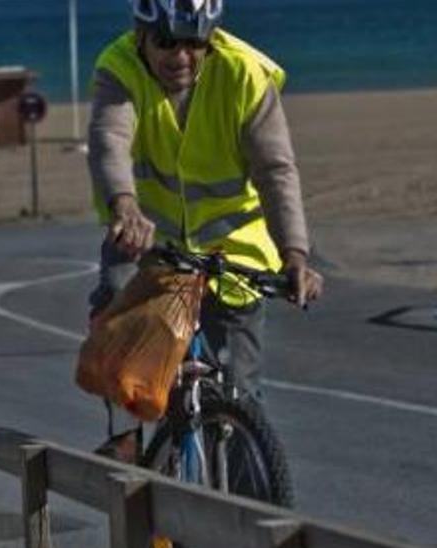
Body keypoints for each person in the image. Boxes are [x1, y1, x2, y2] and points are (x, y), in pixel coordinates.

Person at [87, 0, 323, 462]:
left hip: (235, 253)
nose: (182, 57)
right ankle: (126, 436)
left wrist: (295, 255)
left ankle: (244, 511)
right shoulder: (119, 67)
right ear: (141, 38)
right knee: (116, 301)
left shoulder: (245, 75)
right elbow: (108, 140)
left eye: (196, 44)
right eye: (167, 43)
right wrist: (126, 207)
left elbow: (276, 171)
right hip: (149, 245)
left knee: (241, 401)